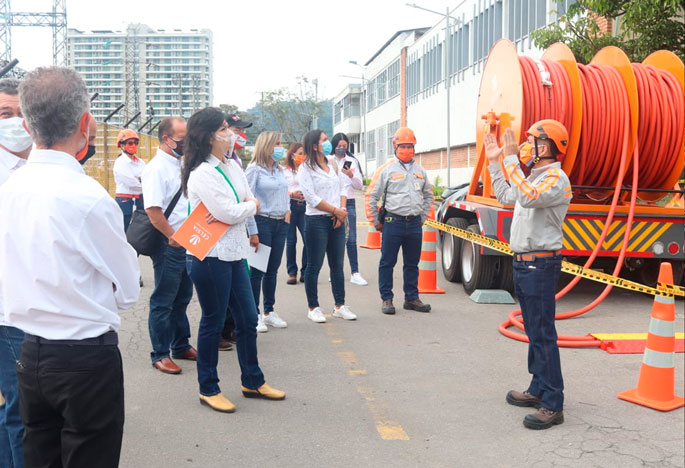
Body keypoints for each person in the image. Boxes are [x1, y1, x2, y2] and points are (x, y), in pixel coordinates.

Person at [0, 66, 139, 468]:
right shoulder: (88, 198)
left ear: (27, 124)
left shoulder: (9, 191)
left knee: (38, 454)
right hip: (84, 358)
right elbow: (128, 291)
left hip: (29, 353)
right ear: (85, 122)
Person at [181, 107, 285, 413]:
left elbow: (244, 199)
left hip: (235, 252)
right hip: (211, 256)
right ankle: (208, 387)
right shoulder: (202, 173)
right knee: (213, 322)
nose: (231, 134)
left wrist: (245, 205)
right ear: (209, 135)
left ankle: (252, 380)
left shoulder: (232, 166)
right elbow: (231, 211)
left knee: (248, 318)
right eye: (225, 129)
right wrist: (249, 206)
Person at [485, 121, 571, 430]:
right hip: (524, 263)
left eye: (531, 141)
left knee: (543, 333)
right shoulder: (532, 178)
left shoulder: (555, 179)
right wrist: (496, 161)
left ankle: (553, 403)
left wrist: (510, 159)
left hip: (540, 265)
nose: (524, 146)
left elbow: (528, 197)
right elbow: (509, 196)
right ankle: (538, 388)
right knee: (534, 330)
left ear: (545, 147)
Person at [142, 116, 197, 375]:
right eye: (182, 138)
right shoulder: (156, 168)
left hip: (187, 240)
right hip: (170, 242)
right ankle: (160, 353)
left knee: (183, 297)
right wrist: (172, 236)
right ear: (166, 138)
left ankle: (180, 344)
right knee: (164, 299)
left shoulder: (180, 164)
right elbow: (153, 210)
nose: (186, 143)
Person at [368, 127, 433, 315]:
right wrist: (376, 221)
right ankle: (386, 298)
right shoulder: (387, 170)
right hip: (393, 222)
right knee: (387, 262)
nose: (406, 150)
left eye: (410, 146)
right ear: (395, 147)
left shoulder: (420, 171)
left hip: (414, 224)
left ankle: (411, 298)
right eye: (403, 146)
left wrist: (422, 217)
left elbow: (428, 196)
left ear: (414, 147)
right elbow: (374, 196)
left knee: (412, 263)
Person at [0, 76, 31, 468]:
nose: (16, 122)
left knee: (18, 404)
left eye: (23, 114)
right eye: (5, 113)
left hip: (35, 303)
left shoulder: (38, 164)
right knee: (23, 409)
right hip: (9, 307)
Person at [299, 129, 357, 323]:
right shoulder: (305, 168)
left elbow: (343, 186)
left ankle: (340, 305)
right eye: (324, 140)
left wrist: (341, 211)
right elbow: (311, 197)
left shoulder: (331, 163)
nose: (327, 143)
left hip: (336, 218)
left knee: (337, 265)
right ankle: (313, 306)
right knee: (314, 265)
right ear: (315, 145)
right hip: (316, 220)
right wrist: (335, 210)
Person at [245, 131, 290, 332]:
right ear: (267, 146)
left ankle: (269, 311)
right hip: (262, 222)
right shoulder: (255, 169)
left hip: (280, 223)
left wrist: (287, 210)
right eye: (277, 144)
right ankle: (254, 314)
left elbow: (283, 191)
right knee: (257, 271)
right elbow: (247, 198)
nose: (281, 148)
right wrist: (252, 231)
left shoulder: (279, 169)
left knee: (272, 270)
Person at [331, 133, 368, 286]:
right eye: (339, 146)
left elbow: (359, 185)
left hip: (350, 202)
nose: (341, 149)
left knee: (351, 239)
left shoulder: (352, 161)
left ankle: (355, 272)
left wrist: (352, 175)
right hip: (332, 202)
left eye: (344, 146)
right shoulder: (327, 160)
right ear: (334, 146)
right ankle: (335, 270)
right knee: (333, 239)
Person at [113, 128, 146, 231]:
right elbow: (132, 183)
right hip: (125, 201)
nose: (134, 145)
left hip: (140, 200)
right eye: (130, 143)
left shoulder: (140, 162)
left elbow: (147, 177)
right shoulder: (120, 162)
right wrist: (142, 182)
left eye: (136, 143)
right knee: (124, 230)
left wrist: (140, 180)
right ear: (122, 145)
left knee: (138, 231)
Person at [284, 143, 307, 285]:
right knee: (291, 241)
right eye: (300, 153)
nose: (302, 156)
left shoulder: (307, 169)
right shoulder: (283, 170)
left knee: (308, 240)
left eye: (304, 153)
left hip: (305, 207)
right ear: (292, 154)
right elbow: (279, 190)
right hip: (290, 206)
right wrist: (292, 194)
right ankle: (292, 272)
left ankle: (305, 271)